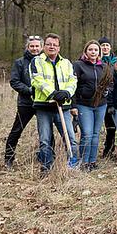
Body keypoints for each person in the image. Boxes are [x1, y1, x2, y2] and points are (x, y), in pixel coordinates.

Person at [30, 33, 78, 175]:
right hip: (43, 106)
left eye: (55, 45)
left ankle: (72, 165)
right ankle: (46, 168)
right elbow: (37, 80)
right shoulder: (36, 61)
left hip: (62, 106)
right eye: (49, 44)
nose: (52, 47)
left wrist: (66, 93)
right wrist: (53, 94)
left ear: (59, 48)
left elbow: (73, 80)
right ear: (44, 46)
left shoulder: (67, 63)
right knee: (45, 139)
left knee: (70, 137)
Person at [72, 40, 113, 170]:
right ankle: (84, 162)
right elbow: (73, 85)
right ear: (86, 51)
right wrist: (73, 105)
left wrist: (107, 91)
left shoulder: (104, 67)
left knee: (96, 134)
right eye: (90, 49)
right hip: (84, 104)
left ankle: (92, 161)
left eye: (96, 50)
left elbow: (110, 83)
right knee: (87, 134)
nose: (93, 52)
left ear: (99, 52)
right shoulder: (78, 65)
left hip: (101, 104)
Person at [4, 35, 43, 169]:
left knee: (45, 131)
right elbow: (14, 82)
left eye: (37, 46)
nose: (34, 48)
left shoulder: (45, 61)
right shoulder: (19, 63)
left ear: (41, 47)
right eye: (32, 46)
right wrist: (29, 90)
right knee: (17, 130)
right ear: (27, 47)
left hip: (42, 102)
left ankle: (46, 156)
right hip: (25, 103)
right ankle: (8, 159)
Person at [98, 36, 117, 159]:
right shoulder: (96, 60)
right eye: (103, 45)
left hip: (113, 97)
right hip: (99, 97)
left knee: (111, 126)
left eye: (107, 45)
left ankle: (109, 149)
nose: (105, 47)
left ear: (110, 47)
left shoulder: (116, 61)